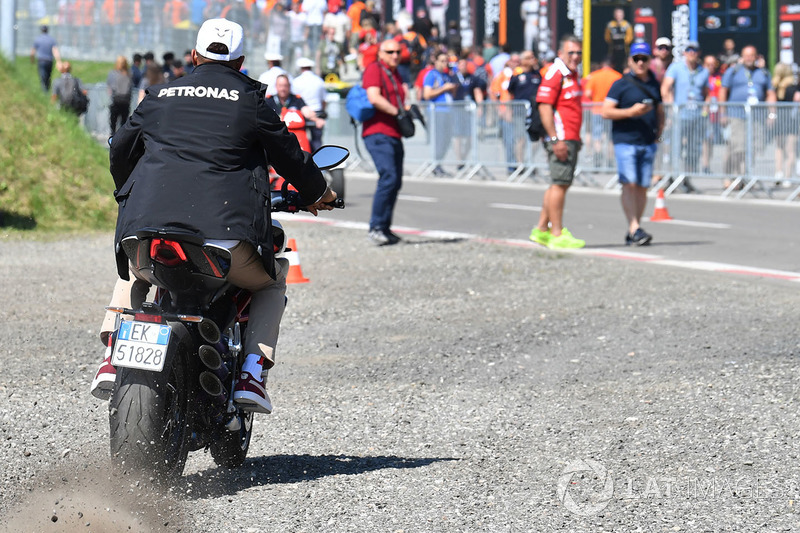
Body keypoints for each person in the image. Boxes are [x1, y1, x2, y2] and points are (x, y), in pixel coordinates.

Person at [91, 18, 337, 413]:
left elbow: (120, 149)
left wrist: (128, 193)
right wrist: (318, 194)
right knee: (273, 280)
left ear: (194, 56)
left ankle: (111, 354)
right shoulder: (252, 101)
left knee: (133, 272)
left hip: (146, 227)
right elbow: (292, 158)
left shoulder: (159, 94)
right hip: (222, 239)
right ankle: (252, 373)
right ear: (241, 62)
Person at [602, 42, 664, 246]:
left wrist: (659, 135)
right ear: (630, 61)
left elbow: (660, 110)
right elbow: (606, 111)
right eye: (636, 59)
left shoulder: (654, 83)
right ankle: (634, 227)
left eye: (644, 59)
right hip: (625, 141)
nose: (640, 62)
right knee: (629, 183)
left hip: (647, 141)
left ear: (649, 61)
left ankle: (634, 229)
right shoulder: (621, 84)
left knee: (642, 186)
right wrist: (631, 112)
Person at [529, 35, 585, 249]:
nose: (575, 56)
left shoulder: (572, 73)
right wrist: (555, 139)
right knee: (560, 184)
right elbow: (544, 106)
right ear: (561, 53)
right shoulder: (557, 72)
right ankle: (556, 232)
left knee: (558, 183)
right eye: (571, 52)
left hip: (570, 136)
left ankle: (542, 230)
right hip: (561, 137)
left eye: (578, 52)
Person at [362, 39, 407, 246]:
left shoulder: (396, 72)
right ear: (381, 53)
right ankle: (376, 227)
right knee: (388, 176)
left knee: (395, 181)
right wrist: (398, 112)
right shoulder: (374, 69)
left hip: (393, 133)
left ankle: (385, 228)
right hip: (377, 132)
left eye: (398, 51)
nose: (395, 55)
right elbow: (374, 97)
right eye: (390, 52)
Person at [718, 45, 776, 188]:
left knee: (754, 147)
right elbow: (723, 91)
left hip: (756, 118)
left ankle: (743, 176)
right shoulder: (733, 71)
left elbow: (770, 94)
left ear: (756, 57)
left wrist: (772, 113)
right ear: (742, 57)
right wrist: (723, 112)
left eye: (752, 55)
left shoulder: (763, 73)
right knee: (737, 147)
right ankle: (731, 176)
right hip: (737, 115)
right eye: (746, 55)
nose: (749, 58)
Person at [661, 40, 707, 192]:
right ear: (684, 52)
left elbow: (707, 93)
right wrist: (671, 107)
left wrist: (705, 109)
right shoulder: (676, 68)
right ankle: (672, 177)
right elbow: (665, 88)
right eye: (689, 50)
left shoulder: (703, 71)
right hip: (680, 116)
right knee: (675, 147)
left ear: (698, 53)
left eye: (694, 50)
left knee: (694, 149)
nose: (692, 53)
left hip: (696, 116)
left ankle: (686, 178)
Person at [423, 51, 457, 175]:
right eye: (442, 61)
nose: (444, 64)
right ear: (435, 61)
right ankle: (435, 164)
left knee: (446, 140)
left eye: (446, 61)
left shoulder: (447, 76)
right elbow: (426, 94)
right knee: (439, 139)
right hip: (437, 112)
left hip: (447, 111)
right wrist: (443, 88)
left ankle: (439, 163)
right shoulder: (431, 75)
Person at [507, 50, 542, 169]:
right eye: (529, 58)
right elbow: (509, 92)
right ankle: (520, 164)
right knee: (520, 138)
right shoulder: (517, 75)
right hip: (520, 112)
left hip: (534, 112)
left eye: (533, 57)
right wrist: (507, 110)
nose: (533, 59)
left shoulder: (537, 74)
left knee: (536, 139)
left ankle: (529, 161)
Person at [583, 58, 621, 164]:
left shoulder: (595, 76)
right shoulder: (617, 76)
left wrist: (596, 100)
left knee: (597, 136)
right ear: (612, 65)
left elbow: (588, 93)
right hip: (612, 111)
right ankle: (609, 160)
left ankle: (598, 157)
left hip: (597, 110)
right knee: (610, 137)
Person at [771, 62, 799, 186]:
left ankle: (779, 172)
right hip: (791, 120)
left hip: (780, 120)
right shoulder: (793, 87)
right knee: (790, 150)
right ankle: (787, 175)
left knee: (779, 148)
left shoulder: (774, 86)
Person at [292, 57, 328, 152]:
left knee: (300, 138)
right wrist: (323, 112)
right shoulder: (319, 81)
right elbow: (324, 100)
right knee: (317, 140)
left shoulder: (296, 82)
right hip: (317, 112)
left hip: (302, 113)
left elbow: (294, 99)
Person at [700, 55, 722, 175]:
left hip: (716, 112)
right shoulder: (702, 76)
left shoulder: (718, 77)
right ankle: (703, 164)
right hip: (704, 112)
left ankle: (707, 164)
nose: (711, 67)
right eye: (708, 64)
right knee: (704, 139)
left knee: (711, 139)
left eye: (713, 64)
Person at [30, 25, 62, 93]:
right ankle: (47, 89)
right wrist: (58, 61)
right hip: (49, 61)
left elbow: (33, 51)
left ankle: (44, 90)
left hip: (41, 60)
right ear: (47, 30)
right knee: (48, 75)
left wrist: (32, 59)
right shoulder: (51, 39)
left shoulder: (38, 39)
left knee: (42, 76)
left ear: (41, 30)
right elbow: (55, 50)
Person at [107, 55, 134, 135]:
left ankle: (112, 137)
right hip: (126, 100)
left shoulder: (112, 73)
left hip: (116, 99)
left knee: (113, 121)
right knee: (124, 121)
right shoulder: (129, 74)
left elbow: (110, 87)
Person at [604, 8, 633, 73]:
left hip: (624, 50)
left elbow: (630, 37)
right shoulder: (610, 25)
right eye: (617, 14)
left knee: (624, 65)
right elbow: (607, 37)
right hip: (613, 49)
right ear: (614, 15)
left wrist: (623, 39)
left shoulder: (626, 25)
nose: (618, 16)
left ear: (623, 15)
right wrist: (613, 39)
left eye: (620, 14)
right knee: (613, 65)